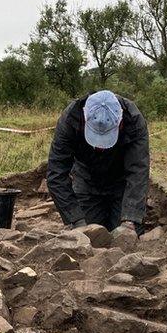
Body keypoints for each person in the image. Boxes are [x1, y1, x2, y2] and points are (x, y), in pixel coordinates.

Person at [47, 90, 149, 231]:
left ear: (119, 123)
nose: (100, 147)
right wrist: (76, 220)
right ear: (85, 117)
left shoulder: (134, 120)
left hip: (122, 184)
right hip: (87, 180)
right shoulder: (70, 119)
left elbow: (138, 171)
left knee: (124, 233)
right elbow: (56, 173)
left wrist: (130, 219)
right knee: (87, 234)